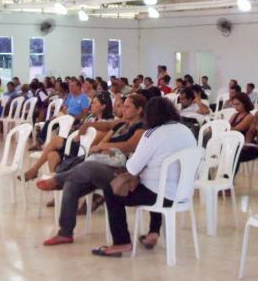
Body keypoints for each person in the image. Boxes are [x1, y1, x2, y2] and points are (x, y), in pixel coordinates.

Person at [90, 96, 197, 257]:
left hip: (161, 194)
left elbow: (132, 167)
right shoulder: (186, 130)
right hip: (183, 193)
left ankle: (121, 242)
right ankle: (153, 232)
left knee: (111, 191)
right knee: (155, 182)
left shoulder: (152, 134)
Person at [36, 94, 147, 246]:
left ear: (139, 110)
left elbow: (130, 146)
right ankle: (65, 233)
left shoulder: (140, 128)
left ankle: (57, 179)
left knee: (87, 166)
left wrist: (103, 146)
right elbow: (107, 126)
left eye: (128, 107)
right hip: (102, 165)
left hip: (120, 172)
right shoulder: (122, 124)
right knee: (71, 185)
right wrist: (88, 125)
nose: (123, 109)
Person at [23, 92, 115, 181]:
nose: (91, 105)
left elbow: (92, 142)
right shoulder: (91, 118)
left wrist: (78, 136)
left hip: (84, 150)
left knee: (56, 140)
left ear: (103, 106)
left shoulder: (107, 124)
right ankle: (58, 191)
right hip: (77, 145)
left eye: (95, 103)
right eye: (92, 102)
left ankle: (34, 169)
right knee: (52, 155)